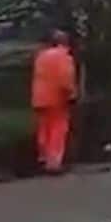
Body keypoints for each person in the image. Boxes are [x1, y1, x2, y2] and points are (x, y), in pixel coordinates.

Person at [32, 29, 77, 174]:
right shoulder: (64, 56)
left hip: (40, 98)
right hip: (57, 98)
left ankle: (43, 158)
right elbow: (65, 78)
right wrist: (71, 94)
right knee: (58, 130)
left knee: (44, 129)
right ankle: (54, 163)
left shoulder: (41, 55)